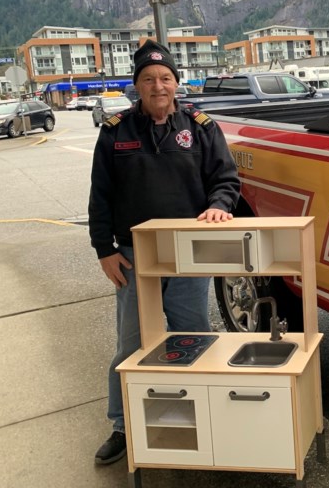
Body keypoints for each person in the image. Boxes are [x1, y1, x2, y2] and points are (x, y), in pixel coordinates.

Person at [87, 39, 242, 465]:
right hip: (134, 255)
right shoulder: (115, 130)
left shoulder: (202, 125)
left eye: (166, 78)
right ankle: (122, 424)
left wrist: (217, 207)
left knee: (194, 335)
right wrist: (104, 250)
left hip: (190, 253)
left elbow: (226, 180)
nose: (158, 86)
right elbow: (100, 197)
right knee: (132, 344)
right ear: (136, 85)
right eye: (149, 79)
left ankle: (203, 413)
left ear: (176, 83)